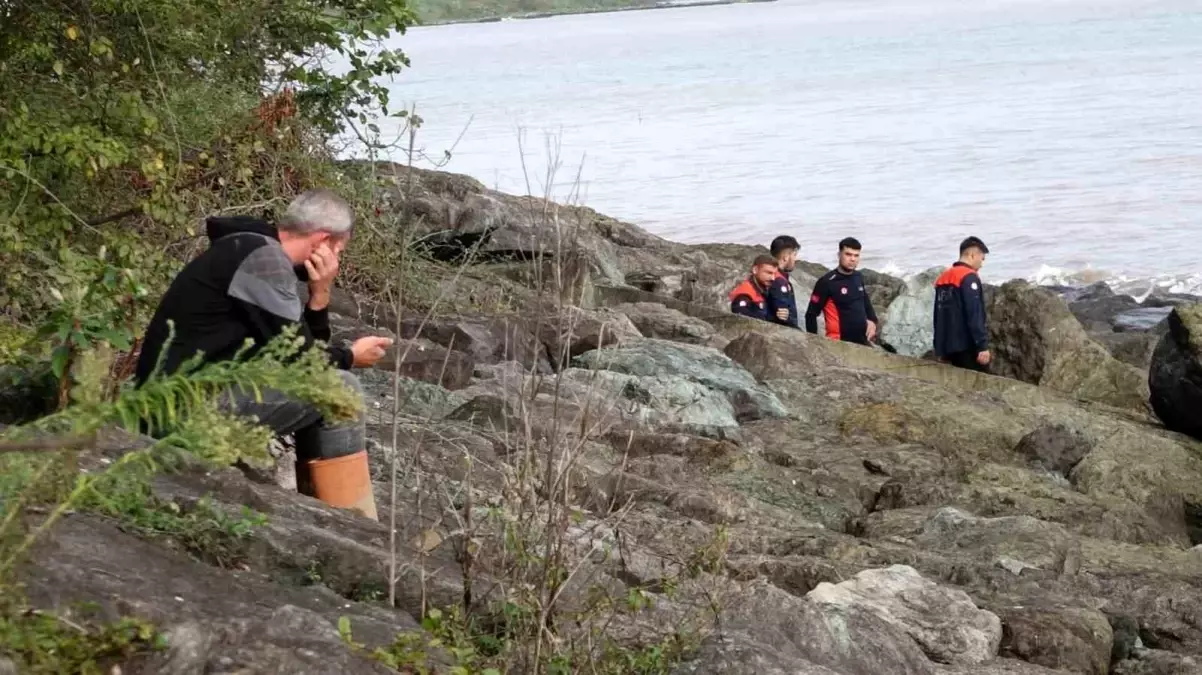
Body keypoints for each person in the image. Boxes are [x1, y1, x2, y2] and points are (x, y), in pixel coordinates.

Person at [135, 189, 394, 520]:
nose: (337, 260)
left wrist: (318, 300)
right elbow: (307, 364)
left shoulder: (246, 249)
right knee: (342, 390)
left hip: (171, 401)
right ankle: (348, 520)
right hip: (180, 412)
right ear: (323, 241)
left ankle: (328, 514)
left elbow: (296, 356)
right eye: (338, 250)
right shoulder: (263, 260)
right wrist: (350, 357)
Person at [804, 237, 879, 345]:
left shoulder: (858, 276)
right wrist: (814, 343)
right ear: (839, 255)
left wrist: (873, 321)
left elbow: (865, 301)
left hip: (862, 341)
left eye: (856, 255)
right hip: (839, 343)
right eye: (848, 254)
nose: (852, 259)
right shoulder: (826, 282)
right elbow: (810, 314)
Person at [933, 236, 991, 372]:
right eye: (981, 259)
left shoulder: (943, 278)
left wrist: (939, 347)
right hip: (966, 347)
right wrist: (982, 346)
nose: (982, 264)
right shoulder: (968, 277)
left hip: (948, 347)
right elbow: (974, 314)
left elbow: (938, 315)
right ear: (972, 255)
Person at [729, 254, 779, 321]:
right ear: (755, 270)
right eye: (769, 273)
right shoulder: (745, 294)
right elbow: (741, 322)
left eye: (774, 274)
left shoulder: (763, 290)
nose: (773, 278)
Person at [765, 235, 800, 328]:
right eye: (794, 255)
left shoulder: (768, 274)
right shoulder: (778, 281)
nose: (795, 259)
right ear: (785, 257)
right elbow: (783, 317)